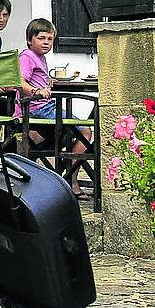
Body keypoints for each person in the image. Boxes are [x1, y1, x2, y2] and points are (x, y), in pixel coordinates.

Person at [17, 18, 94, 200]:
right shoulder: (27, 57)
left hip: (44, 107)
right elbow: (19, 81)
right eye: (41, 38)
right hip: (38, 109)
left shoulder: (39, 58)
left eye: (50, 39)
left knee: (71, 134)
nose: (46, 43)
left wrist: (47, 82)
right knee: (84, 130)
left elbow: (34, 78)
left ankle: (67, 173)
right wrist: (37, 90)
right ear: (30, 39)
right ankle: (71, 180)